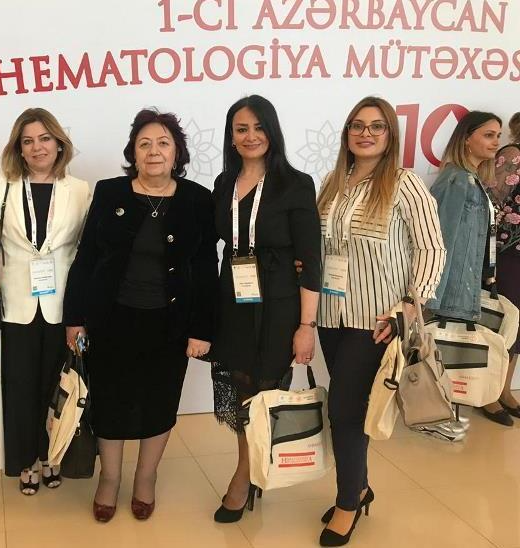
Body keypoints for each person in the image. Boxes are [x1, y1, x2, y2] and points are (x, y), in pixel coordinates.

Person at [63, 109, 217, 522]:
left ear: (177, 152)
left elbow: (206, 267)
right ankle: (110, 478)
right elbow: (86, 257)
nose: (153, 151)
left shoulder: (197, 199)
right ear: (133, 151)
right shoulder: (110, 191)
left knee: (159, 402)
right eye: (144, 143)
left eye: (163, 143)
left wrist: (202, 329)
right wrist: (74, 318)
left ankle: (146, 477)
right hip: (110, 320)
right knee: (110, 401)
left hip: (170, 323)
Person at [315, 96, 446, 546]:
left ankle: (348, 502)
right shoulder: (332, 182)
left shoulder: (406, 184)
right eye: (357, 125)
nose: (365, 133)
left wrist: (408, 306)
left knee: (344, 411)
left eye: (376, 126)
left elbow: (431, 248)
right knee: (350, 406)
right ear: (347, 133)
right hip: (330, 314)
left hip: (376, 320)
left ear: (391, 134)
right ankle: (360, 485)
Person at [210, 95, 321, 523]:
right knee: (241, 389)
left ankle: (243, 477)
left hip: (278, 305)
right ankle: (251, 465)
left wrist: (306, 325)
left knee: (265, 391)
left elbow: (310, 259)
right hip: (234, 302)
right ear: (231, 137)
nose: (251, 136)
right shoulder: (224, 183)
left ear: (272, 132)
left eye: (259, 128)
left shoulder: (296, 183)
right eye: (241, 129)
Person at [0, 108, 91, 494]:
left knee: (56, 388)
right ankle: (24, 460)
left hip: (65, 309)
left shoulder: (80, 190)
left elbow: (85, 254)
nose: (37, 147)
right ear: (19, 149)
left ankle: (51, 455)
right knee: (19, 389)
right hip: (15, 308)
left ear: (59, 143)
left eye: (44, 138)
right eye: (28, 141)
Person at [427, 111, 508, 425]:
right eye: (488, 135)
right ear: (466, 139)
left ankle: (447, 417)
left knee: (456, 356)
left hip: (468, 283)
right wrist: (433, 294)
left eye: (498, 135)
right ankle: (436, 417)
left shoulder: (472, 179)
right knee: (444, 355)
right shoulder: (457, 180)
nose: (496, 142)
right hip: (453, 287)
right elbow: (441, 240)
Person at [486, 112, 520, 419]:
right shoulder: (511, 156)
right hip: (509, 252)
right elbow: (491, 200)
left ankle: (505, 390)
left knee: (518, 327)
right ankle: (488, 393)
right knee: (503, 322)